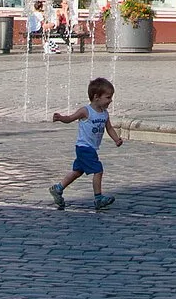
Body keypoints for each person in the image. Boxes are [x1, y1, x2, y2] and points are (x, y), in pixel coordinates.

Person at [48, 76, 121, 210]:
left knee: (77, 172)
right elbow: (70, 118)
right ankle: (98, 198)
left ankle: (58, 188)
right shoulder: (86, 111)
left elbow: (109, 128)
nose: (110, 101)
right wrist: (60, 118)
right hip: (84, 147)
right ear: (96, 97)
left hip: (90, 148)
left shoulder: (104, 114)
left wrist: (116, 139)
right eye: (108, 97)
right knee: (98, 170)